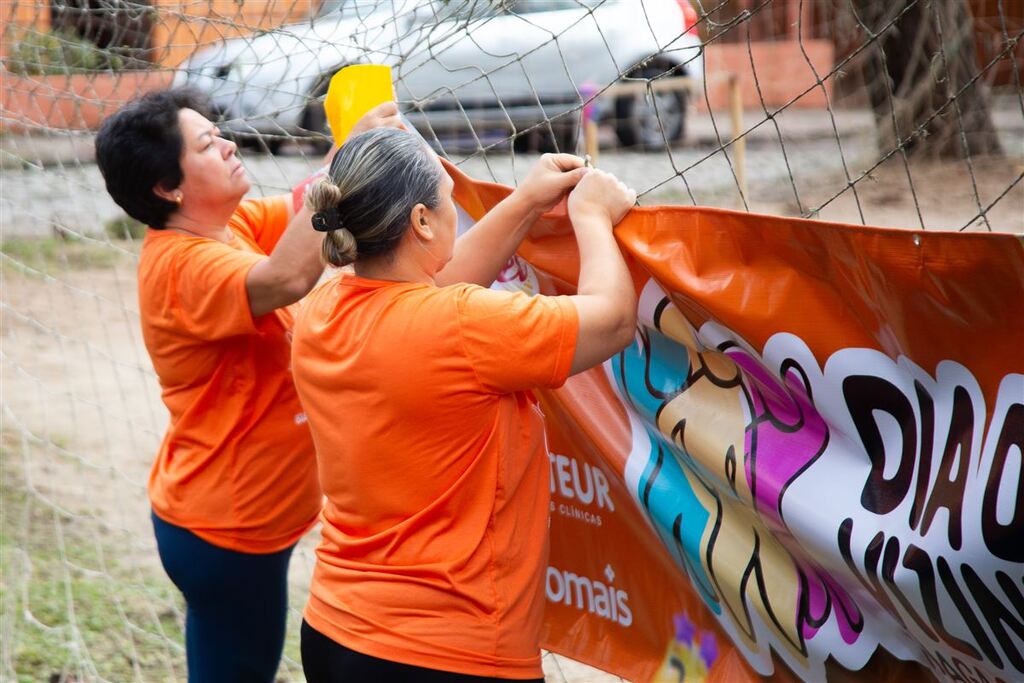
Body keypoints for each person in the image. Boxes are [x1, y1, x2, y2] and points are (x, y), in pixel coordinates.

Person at [291, 127, 638, 681]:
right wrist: (592, 216)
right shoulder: (463, 326)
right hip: (453, 653)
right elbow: (614, 319)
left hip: (337, 631)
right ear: (422, 222)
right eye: (450, 200)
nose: (457, 210)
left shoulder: (323, 307)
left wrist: (525, 201)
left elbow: (430, 289)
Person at [93, 87, 403, 682]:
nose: (229, 143)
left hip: (229, 517)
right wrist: (346, 162)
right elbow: (289, 274)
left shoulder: (222, 228)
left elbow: (297, 213)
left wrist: (349, 147)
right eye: (208, 143)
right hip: (227, 528)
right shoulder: (182, 266)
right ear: (168, 188)